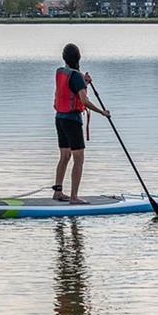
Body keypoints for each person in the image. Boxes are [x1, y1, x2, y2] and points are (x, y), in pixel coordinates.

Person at [52, 43, 108, 204]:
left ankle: (58, 192)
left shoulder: (61, 72)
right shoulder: (77, 76)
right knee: (78, 158)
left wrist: (85, 83)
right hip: (72, 120)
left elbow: (73, 87)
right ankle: (74, 197)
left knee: (65, 156)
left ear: (64, 58)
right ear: (79, 57)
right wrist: (102, 112)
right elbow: (84, 100)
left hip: (60, 118)